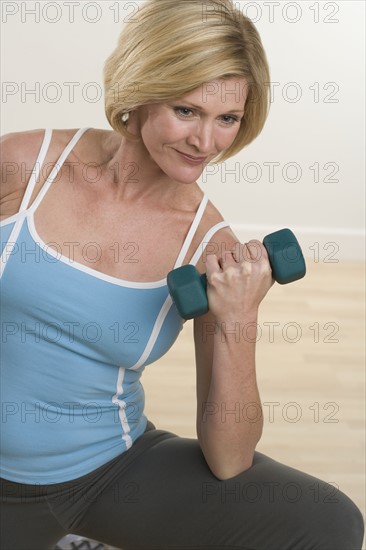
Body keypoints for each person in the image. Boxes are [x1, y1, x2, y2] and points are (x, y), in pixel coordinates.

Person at [0, 0, 364, 548]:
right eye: (187, 110)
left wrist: (238, 317)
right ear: (140, 90)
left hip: (107, 473)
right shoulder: (26, 167)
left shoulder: (210, 249)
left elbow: (229, 458)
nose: (206, 142)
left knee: (329, 521)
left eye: (227, 119)